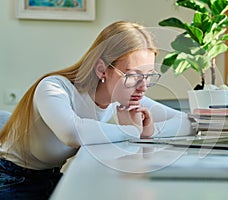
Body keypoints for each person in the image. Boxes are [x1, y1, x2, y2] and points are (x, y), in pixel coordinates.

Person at [0, 21, 195, 199]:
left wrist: (147, 131)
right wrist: (132, 131)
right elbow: (71, 133)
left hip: (51, 179)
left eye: (148, 76)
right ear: (102, 69)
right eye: (133, 75)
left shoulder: (122, 96)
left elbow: (187, 123)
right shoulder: (54, 88)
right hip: (12, 180)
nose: (143, 87)